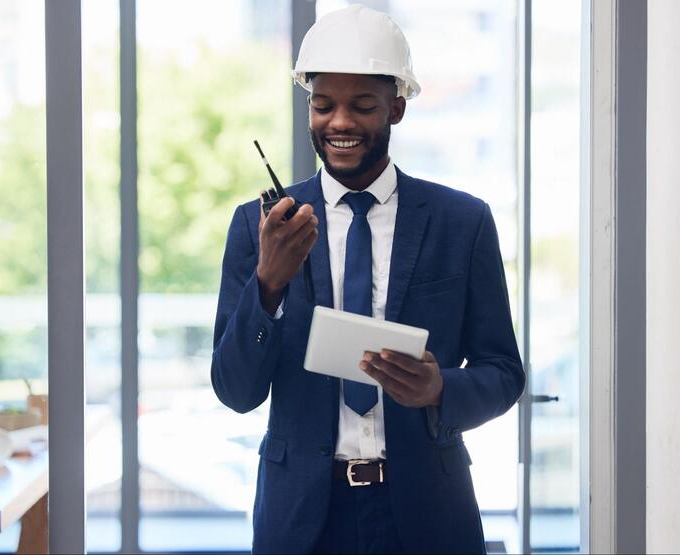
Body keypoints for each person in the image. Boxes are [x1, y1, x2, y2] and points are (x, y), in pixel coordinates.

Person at [211, 5, 525, 554]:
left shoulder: (463, 222)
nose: (340, 124)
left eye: (362, 106)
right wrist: (268, 285)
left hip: (429, 512)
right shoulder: (261, 226)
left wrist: (440, 388)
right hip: (303, 518)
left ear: (396, 108)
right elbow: (236, 391)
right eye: (324, 105)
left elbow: (503, 372)